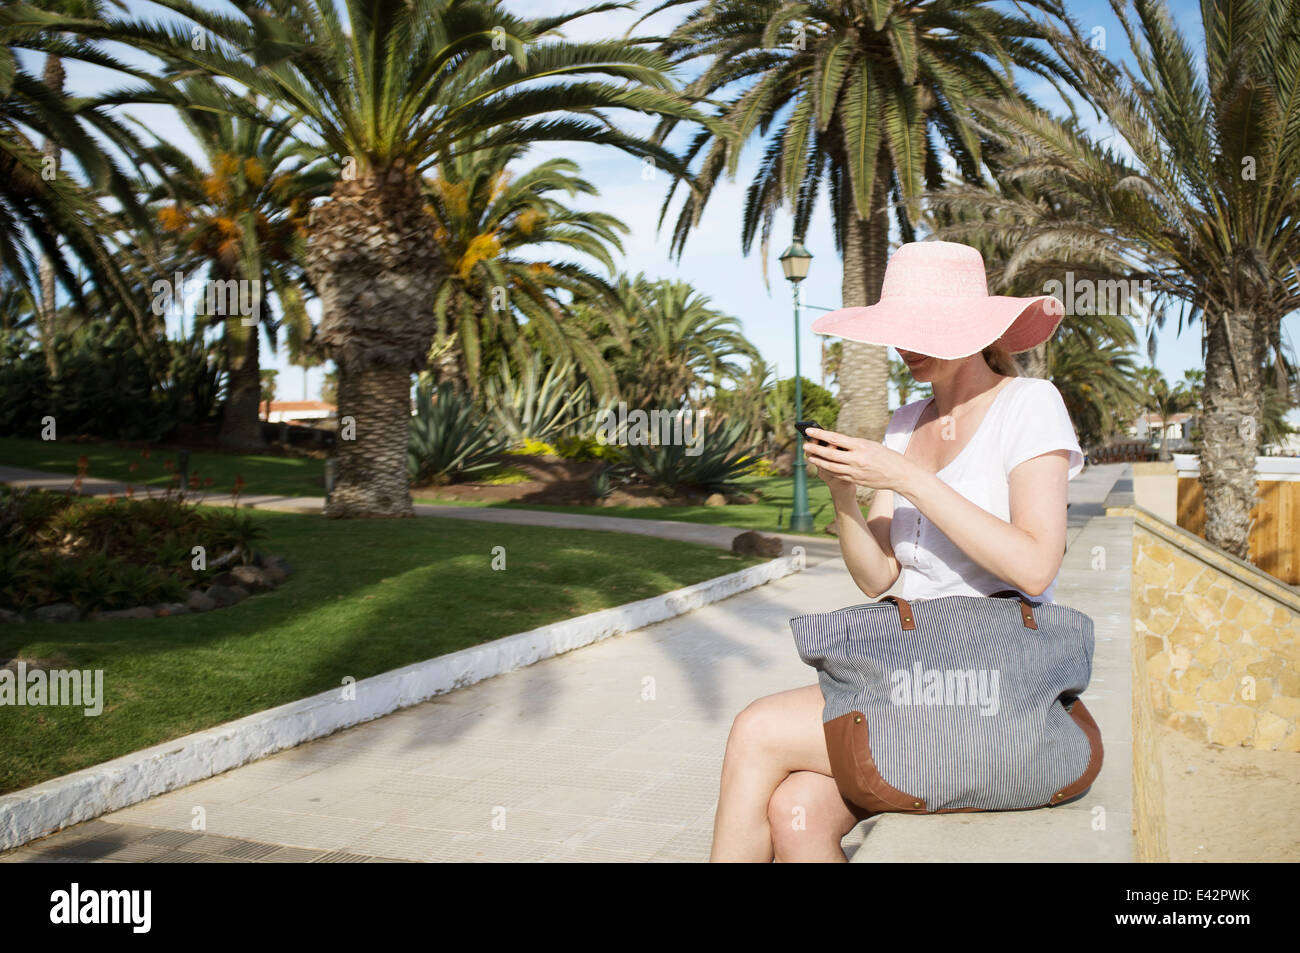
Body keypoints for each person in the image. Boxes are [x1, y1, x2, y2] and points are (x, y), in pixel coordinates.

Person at [709, 240, 1084, 863]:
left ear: (970, 329)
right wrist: (844, 496)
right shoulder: (905, 424)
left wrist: (908, 478)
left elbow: (1035, 563)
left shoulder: (1030, 404)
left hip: (987, 678)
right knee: (792, 813)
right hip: (910, 662)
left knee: (756, 729)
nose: (902, 344)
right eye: (897, 328)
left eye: (920, 327)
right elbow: (879, 578)